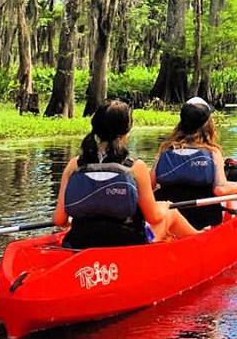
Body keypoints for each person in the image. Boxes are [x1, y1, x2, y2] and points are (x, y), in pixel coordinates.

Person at [53, 100, 198, 249]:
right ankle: (203, 241)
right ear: (126, 131)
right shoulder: (136, 167)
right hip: (128, 246)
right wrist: (165, 206)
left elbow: (59, 219)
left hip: (80, 242)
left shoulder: (74, 165)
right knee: (171, 214)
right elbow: (153, 217)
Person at [153, 96, 237, 229]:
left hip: (168, 218)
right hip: (203, 220)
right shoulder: (212, 152)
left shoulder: (166, 149)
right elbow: (220, 189)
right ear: (207, 124)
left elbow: (150, 184)